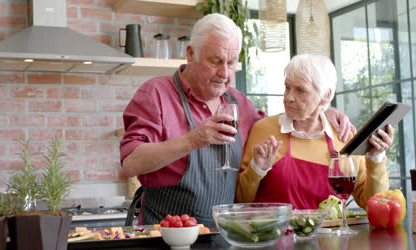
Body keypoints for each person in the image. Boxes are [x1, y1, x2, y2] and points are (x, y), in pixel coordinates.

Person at [120, 14, 353, 226]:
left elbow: (284, 122)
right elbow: (131, 162)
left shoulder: (239, 102)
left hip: (226, 235)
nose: (224, 73)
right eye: (215, 61)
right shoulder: (156, 94)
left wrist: (323, 110)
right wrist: (194, 140)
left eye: (231, 63)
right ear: (191, 53)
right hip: (167, 233)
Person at [236, 54, 392, 210]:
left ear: (326, 96)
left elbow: (372, 204)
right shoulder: (263, 130)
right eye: (287, 87)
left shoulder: (343, 137)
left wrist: (375, 157)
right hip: (273, 233)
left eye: (301, 91)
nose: (288, 97)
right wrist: (256, 169)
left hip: (330, 234)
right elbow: (240, 200)